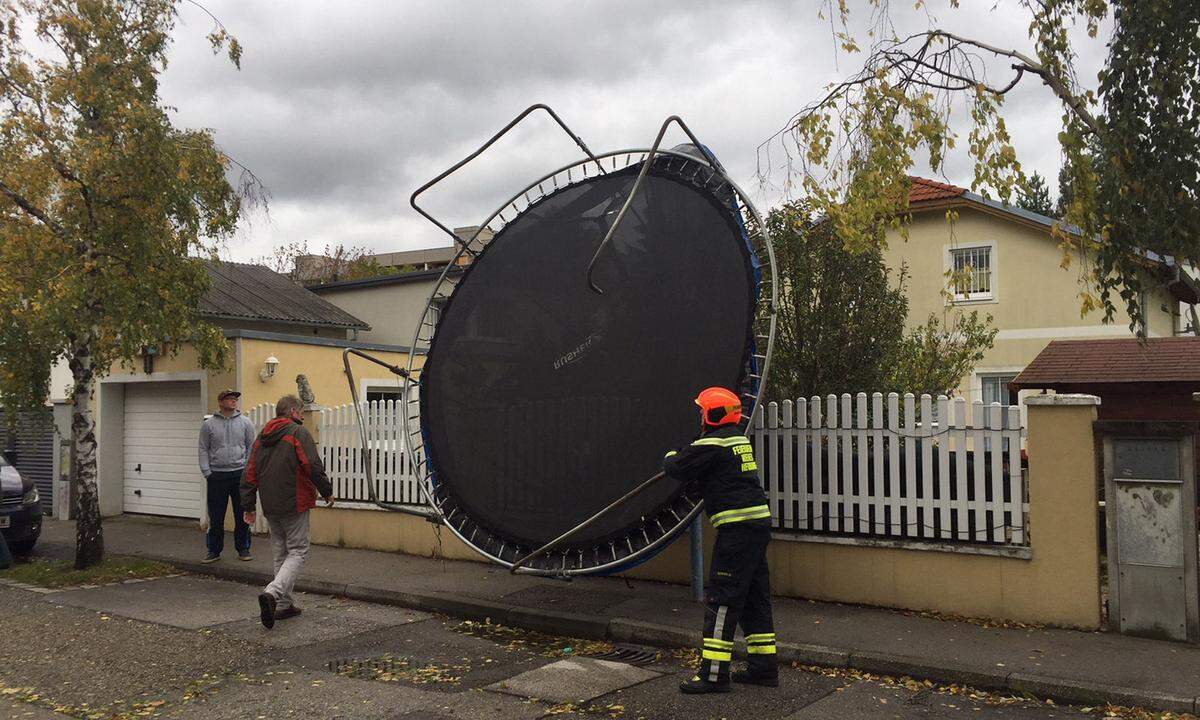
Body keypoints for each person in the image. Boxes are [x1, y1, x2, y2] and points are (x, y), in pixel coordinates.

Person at [663, 386, 777, 694]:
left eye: (703, 410)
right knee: (755, 597)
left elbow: (676, 466)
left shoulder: (712, 442)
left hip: (737, 532)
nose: (700, 415)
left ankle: (713, 674)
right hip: (756, 527)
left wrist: (671, 453)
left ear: (713, 415)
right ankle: (763, 668)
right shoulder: (738, 439)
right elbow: (719, 476)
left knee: (722, 599)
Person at [241, 394, 334, 629]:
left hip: (270, 503)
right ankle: (272, 593)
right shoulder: (297, 433)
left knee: (280, 552)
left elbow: (250, 470)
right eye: (301, 411)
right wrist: (326, 490)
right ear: (292, 411)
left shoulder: (262, 437)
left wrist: (249, 505)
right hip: (294, 500)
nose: (303, 415)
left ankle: (283, 605)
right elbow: (311, 464)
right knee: (298, 551)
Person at [198, 389, 256, 563]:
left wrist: (247, 470)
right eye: (229, 399)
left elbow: (251, 447)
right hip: (217, 475)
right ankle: (214, 550)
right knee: (216, 516)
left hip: (239, 475)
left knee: (242, 514)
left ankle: (243, 548)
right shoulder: (209, 425)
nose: (233, 401)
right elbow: (203, 448)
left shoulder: (245, 423)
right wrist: (207, 471)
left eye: (235, 399)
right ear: (220, 402)